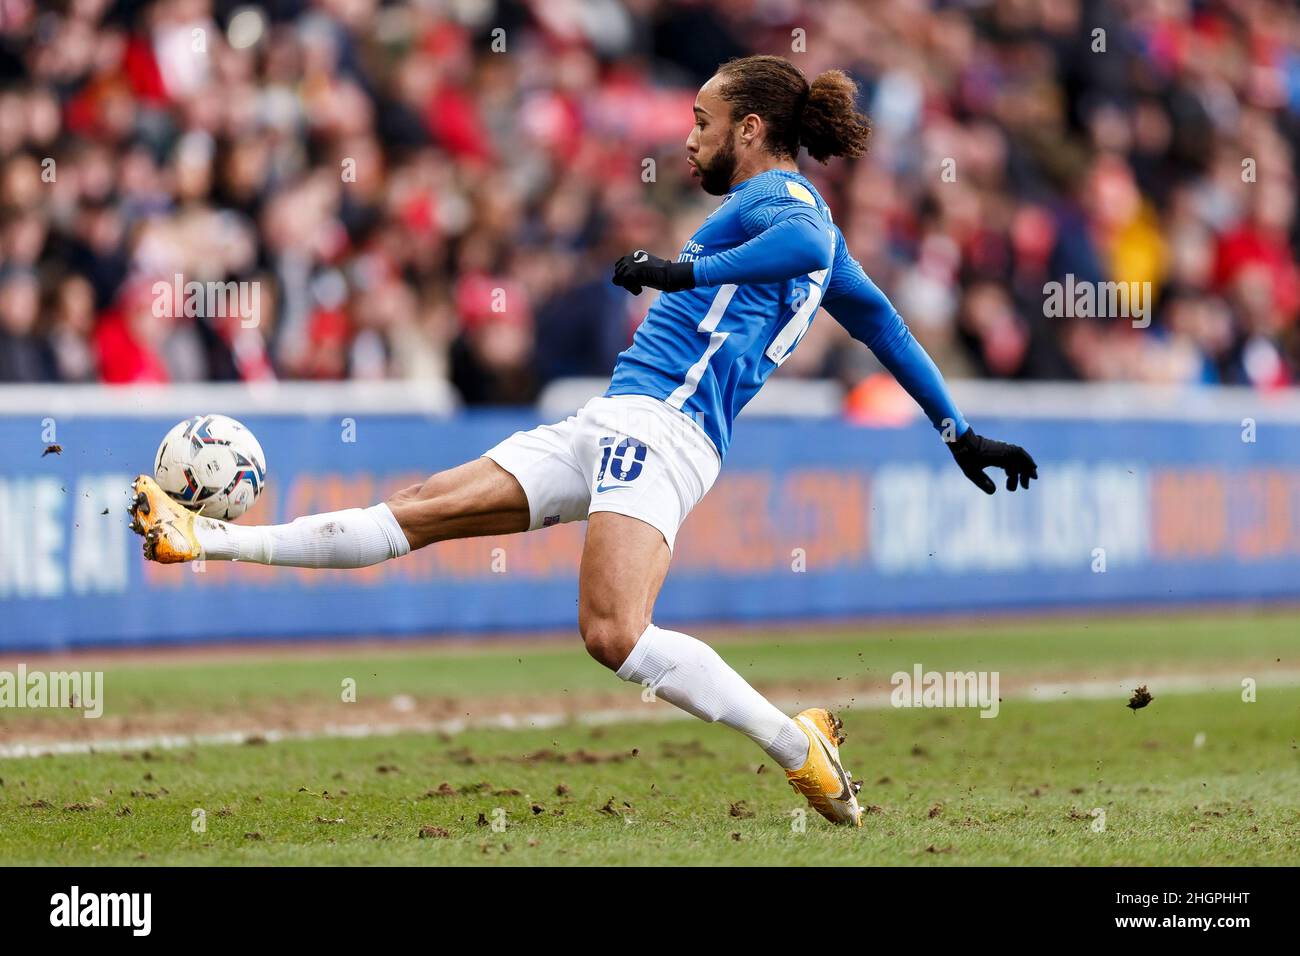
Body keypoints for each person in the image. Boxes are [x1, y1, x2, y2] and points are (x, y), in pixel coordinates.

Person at [129, 55, 1037, 827]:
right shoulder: (805, 230)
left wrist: (685, 268)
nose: (688, 138)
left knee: (612, 634)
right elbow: (885, 324)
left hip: (668, 431)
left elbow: (805, 245)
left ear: (752, 129)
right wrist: (956, 430)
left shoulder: (789, 203)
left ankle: (796, 743)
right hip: (613, 415)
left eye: (703, 120)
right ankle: (200, 535)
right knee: (417, 511)